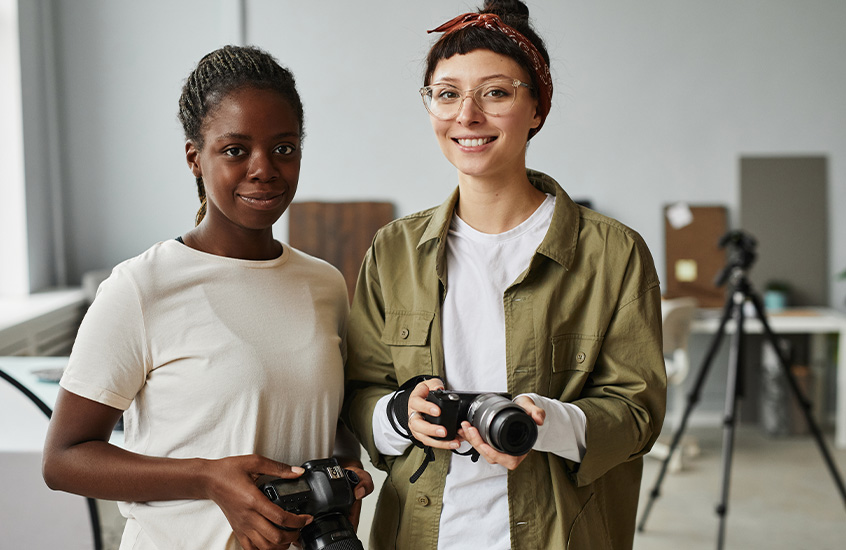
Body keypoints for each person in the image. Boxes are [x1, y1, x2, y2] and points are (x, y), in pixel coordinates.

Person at [342, 1, 666, 549]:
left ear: (536, 109)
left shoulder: (613, 254)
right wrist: (398, 413)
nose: (467, 116)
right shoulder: (394, 250)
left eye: (495, 93)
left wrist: (544, 424)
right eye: (446, 94)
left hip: (560, 532)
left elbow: (637, 412)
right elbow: (359, 390)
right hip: (421, 534)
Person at [43, 45, 372, 550]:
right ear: (196, 158)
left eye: (283, 148)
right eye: (236, 150)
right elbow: (64, 458)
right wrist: (207, 477)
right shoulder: (142, 287)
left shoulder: (324, 284)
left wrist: (346, 466)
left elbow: (328, 422)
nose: (264, 169)